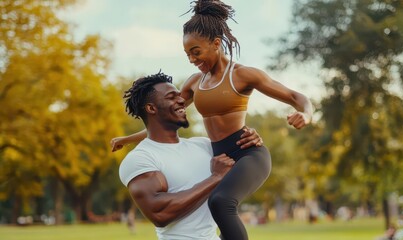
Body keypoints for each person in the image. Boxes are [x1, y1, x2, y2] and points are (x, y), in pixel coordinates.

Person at [112, 1, 313, 239]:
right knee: (218, 203)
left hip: (247, 151)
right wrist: (128, 139)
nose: (191, 59)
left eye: (196, 52)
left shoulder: (243, 75)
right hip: (217, 153)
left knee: (221, 202)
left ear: (216, 44)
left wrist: (306, 114)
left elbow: (294, 96)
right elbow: (162, 121)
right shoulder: (195, 82)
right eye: (187, 54)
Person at [118, 72, 263, 239]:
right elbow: (160, 214)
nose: (181, 101)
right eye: (171, 97)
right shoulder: (141, 158)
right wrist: (215, 177)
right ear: (151, 108)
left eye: (179, 96)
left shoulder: (204, 145)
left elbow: (246, 170)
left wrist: (251, 139)